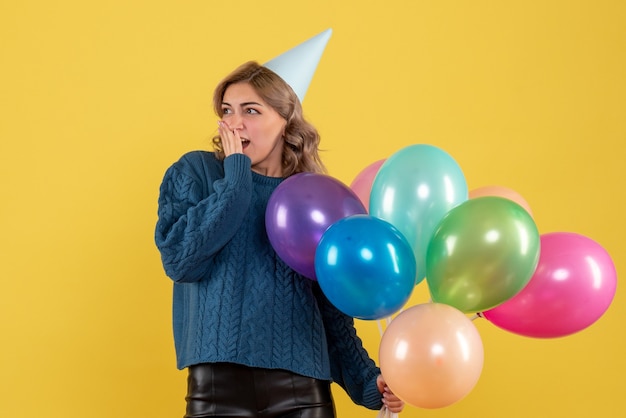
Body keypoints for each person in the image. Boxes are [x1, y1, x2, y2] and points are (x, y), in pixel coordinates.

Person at [155, 31, 404, 418]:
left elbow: (330, 309)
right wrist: (236, 177)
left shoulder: (311, 199)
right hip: (217, 391)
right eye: (227, 110)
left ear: (285, 122)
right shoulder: (197, 172)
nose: (234, 124)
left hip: (302, 392)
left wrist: (368, 382)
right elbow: (181, 261)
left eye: (251, 111)